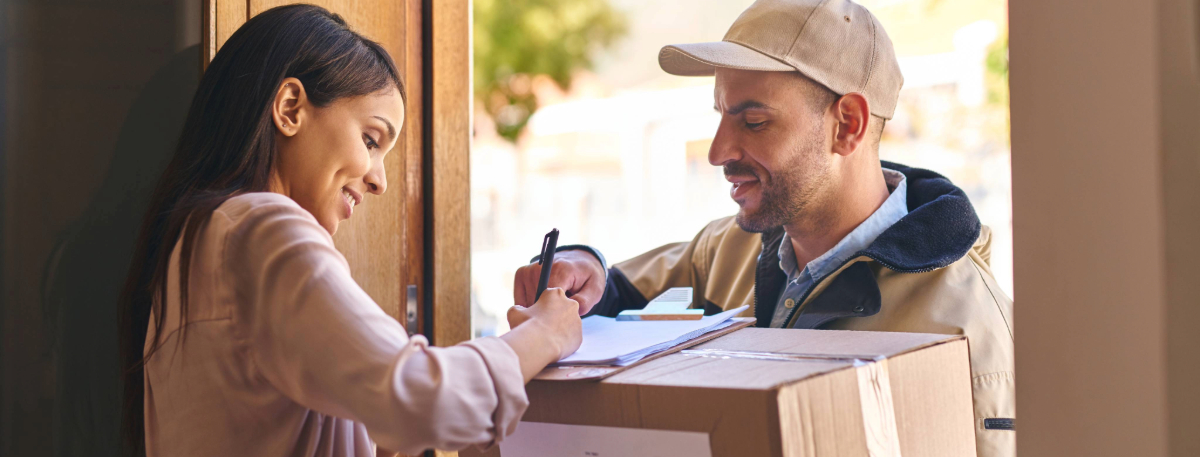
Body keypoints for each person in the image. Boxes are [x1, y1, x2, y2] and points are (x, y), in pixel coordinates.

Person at [512, 0, 1014, 455]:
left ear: (848, 125)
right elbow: (616, 296)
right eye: (720, 117)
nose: (717, 153)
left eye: (753, 123)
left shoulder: (968, 328)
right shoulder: (722, 250)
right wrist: (583, 271)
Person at [118, 5, 582, 456]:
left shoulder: (197, 241)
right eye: (370, 139)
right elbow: (422, 401)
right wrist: (544, 333)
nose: (379, 179)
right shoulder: (262, 231)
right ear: (290, 107)